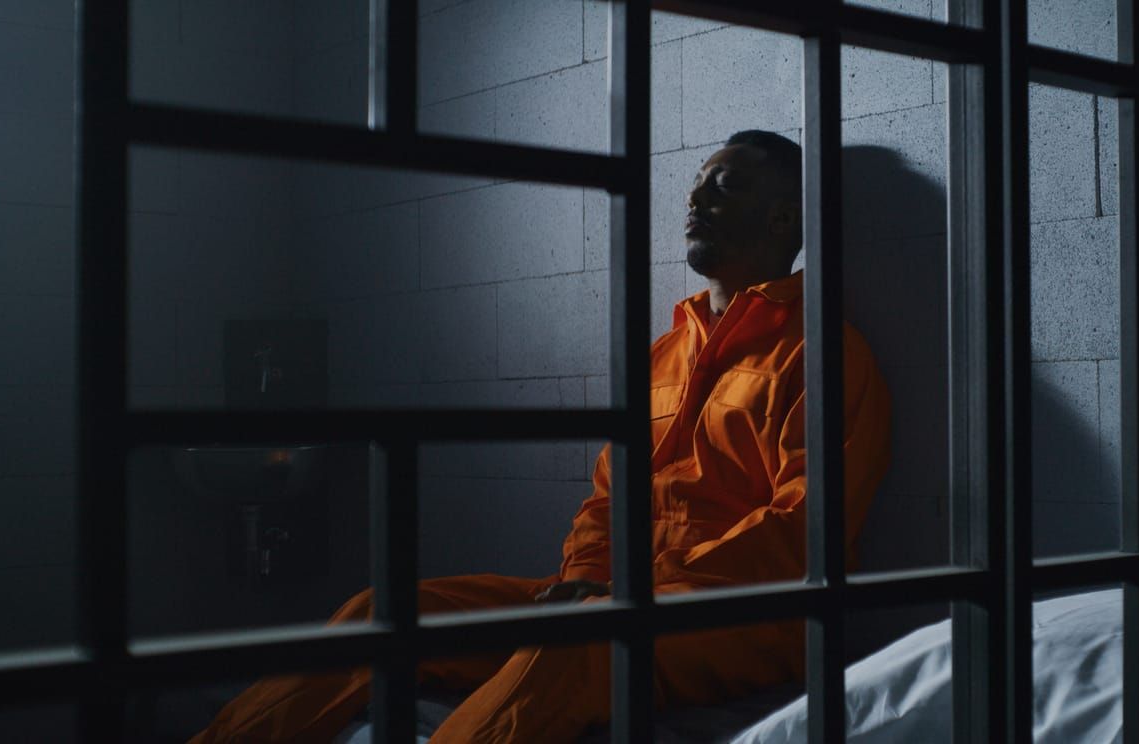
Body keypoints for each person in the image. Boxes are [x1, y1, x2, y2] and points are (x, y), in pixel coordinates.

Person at [190, 130, 892, 743]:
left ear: (782, 217)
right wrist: (588, 576)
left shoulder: (824, 352)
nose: (695, 198)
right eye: (695, 183)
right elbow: (605, 501)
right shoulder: (662, 356)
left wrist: (632, 592)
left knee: (578, 640)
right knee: (384, 612)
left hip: (750, 618)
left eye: (724, 184)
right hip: (617, 594)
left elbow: (805, 529)